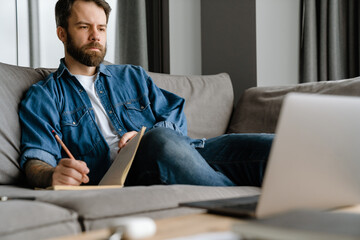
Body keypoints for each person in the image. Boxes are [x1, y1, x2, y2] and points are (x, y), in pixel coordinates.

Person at [19, 0, 274, 188]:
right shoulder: (44, 96)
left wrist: (147, 136)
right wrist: (51, 175)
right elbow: (36, 159)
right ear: (62, 33)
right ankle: (238, 202)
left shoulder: (131, 76)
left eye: (102, 28)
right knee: (157, 141)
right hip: (130, 175)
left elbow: (174, 114)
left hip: (189, 151)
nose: (96, 36)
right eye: (84, 27)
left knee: (273, 147)